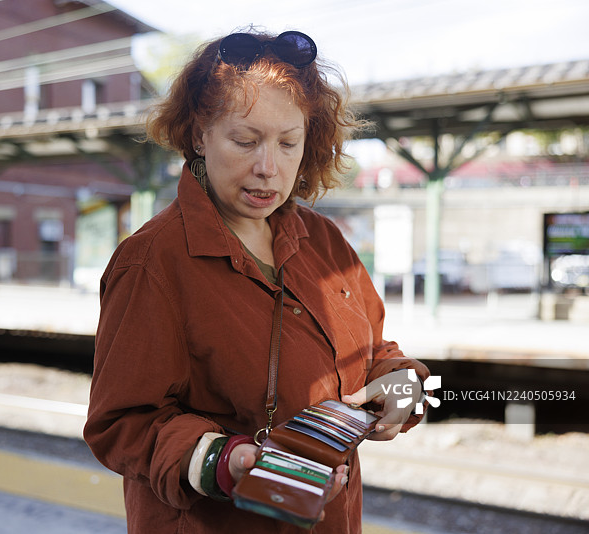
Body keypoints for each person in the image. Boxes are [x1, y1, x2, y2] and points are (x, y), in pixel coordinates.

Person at [83, 28, 430, 533]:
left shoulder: (324, 241)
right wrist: (220, 461)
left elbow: (372, 350)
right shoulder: (152, 262)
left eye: (289, 143)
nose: (268, 168)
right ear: (199, 135)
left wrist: (404, 385)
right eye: (245, 141)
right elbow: (121, 422)